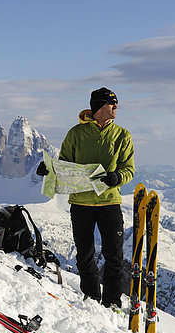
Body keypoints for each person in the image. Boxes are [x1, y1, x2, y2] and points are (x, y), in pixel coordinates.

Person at [37, 87, 134, 309]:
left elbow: (129, 169)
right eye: (112, 103)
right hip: (80, 203)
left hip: (110, 201)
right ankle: (91, 299)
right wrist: (47, 169)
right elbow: (63, 166)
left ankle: (112, 303)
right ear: (99, 107)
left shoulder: (122, 135)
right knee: (85, 255)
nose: (116, 107)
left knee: (114, 256)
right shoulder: (76, 134)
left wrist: (117, 176)